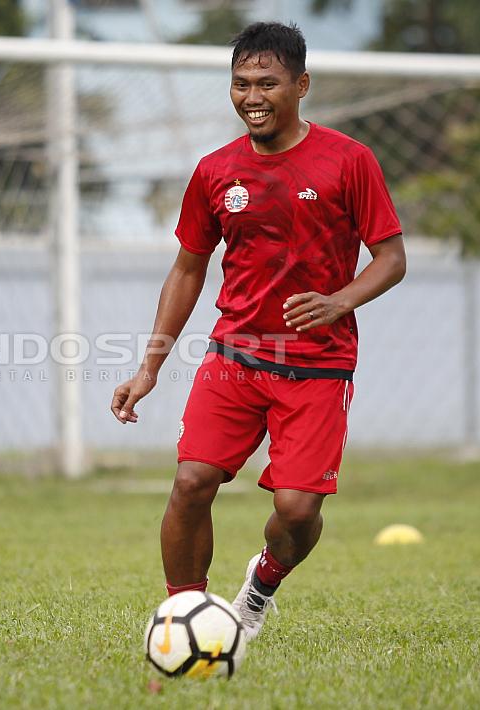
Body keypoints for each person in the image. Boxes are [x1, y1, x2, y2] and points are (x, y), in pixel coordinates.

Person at [110, 22, 407, 640]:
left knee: (296, 512)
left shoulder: (349, 161)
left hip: (319, 366)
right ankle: (184, 615)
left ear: (300, 85)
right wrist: (149, 368)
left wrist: (337, 301)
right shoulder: (216, 171)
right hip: (235, 358)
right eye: (240, 83)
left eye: (267, 83)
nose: (252, 96)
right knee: (192, 482)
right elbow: (188, 269)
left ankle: (260, 586)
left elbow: (391, 258)